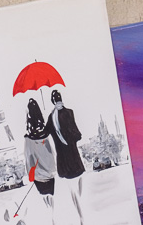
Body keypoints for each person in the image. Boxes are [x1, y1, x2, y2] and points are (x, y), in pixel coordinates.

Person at [45, 89, 86, 223]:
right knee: (78, 188)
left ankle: (80, 215)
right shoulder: (68, 113)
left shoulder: (52, 118)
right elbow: (76, 134)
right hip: (74, 157)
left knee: (73, 191)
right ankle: (82, 215)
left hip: (64, 161)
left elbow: (45, 133)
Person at [23, 98, 57, 223]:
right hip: (50, 173)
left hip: (38, 176)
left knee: (45, 202)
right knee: (53, 201)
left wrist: (31, 174)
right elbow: (52, 153)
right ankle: (54, 219)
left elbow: (29, 159)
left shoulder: (28, 139)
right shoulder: (46, 135)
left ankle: (50, 219)